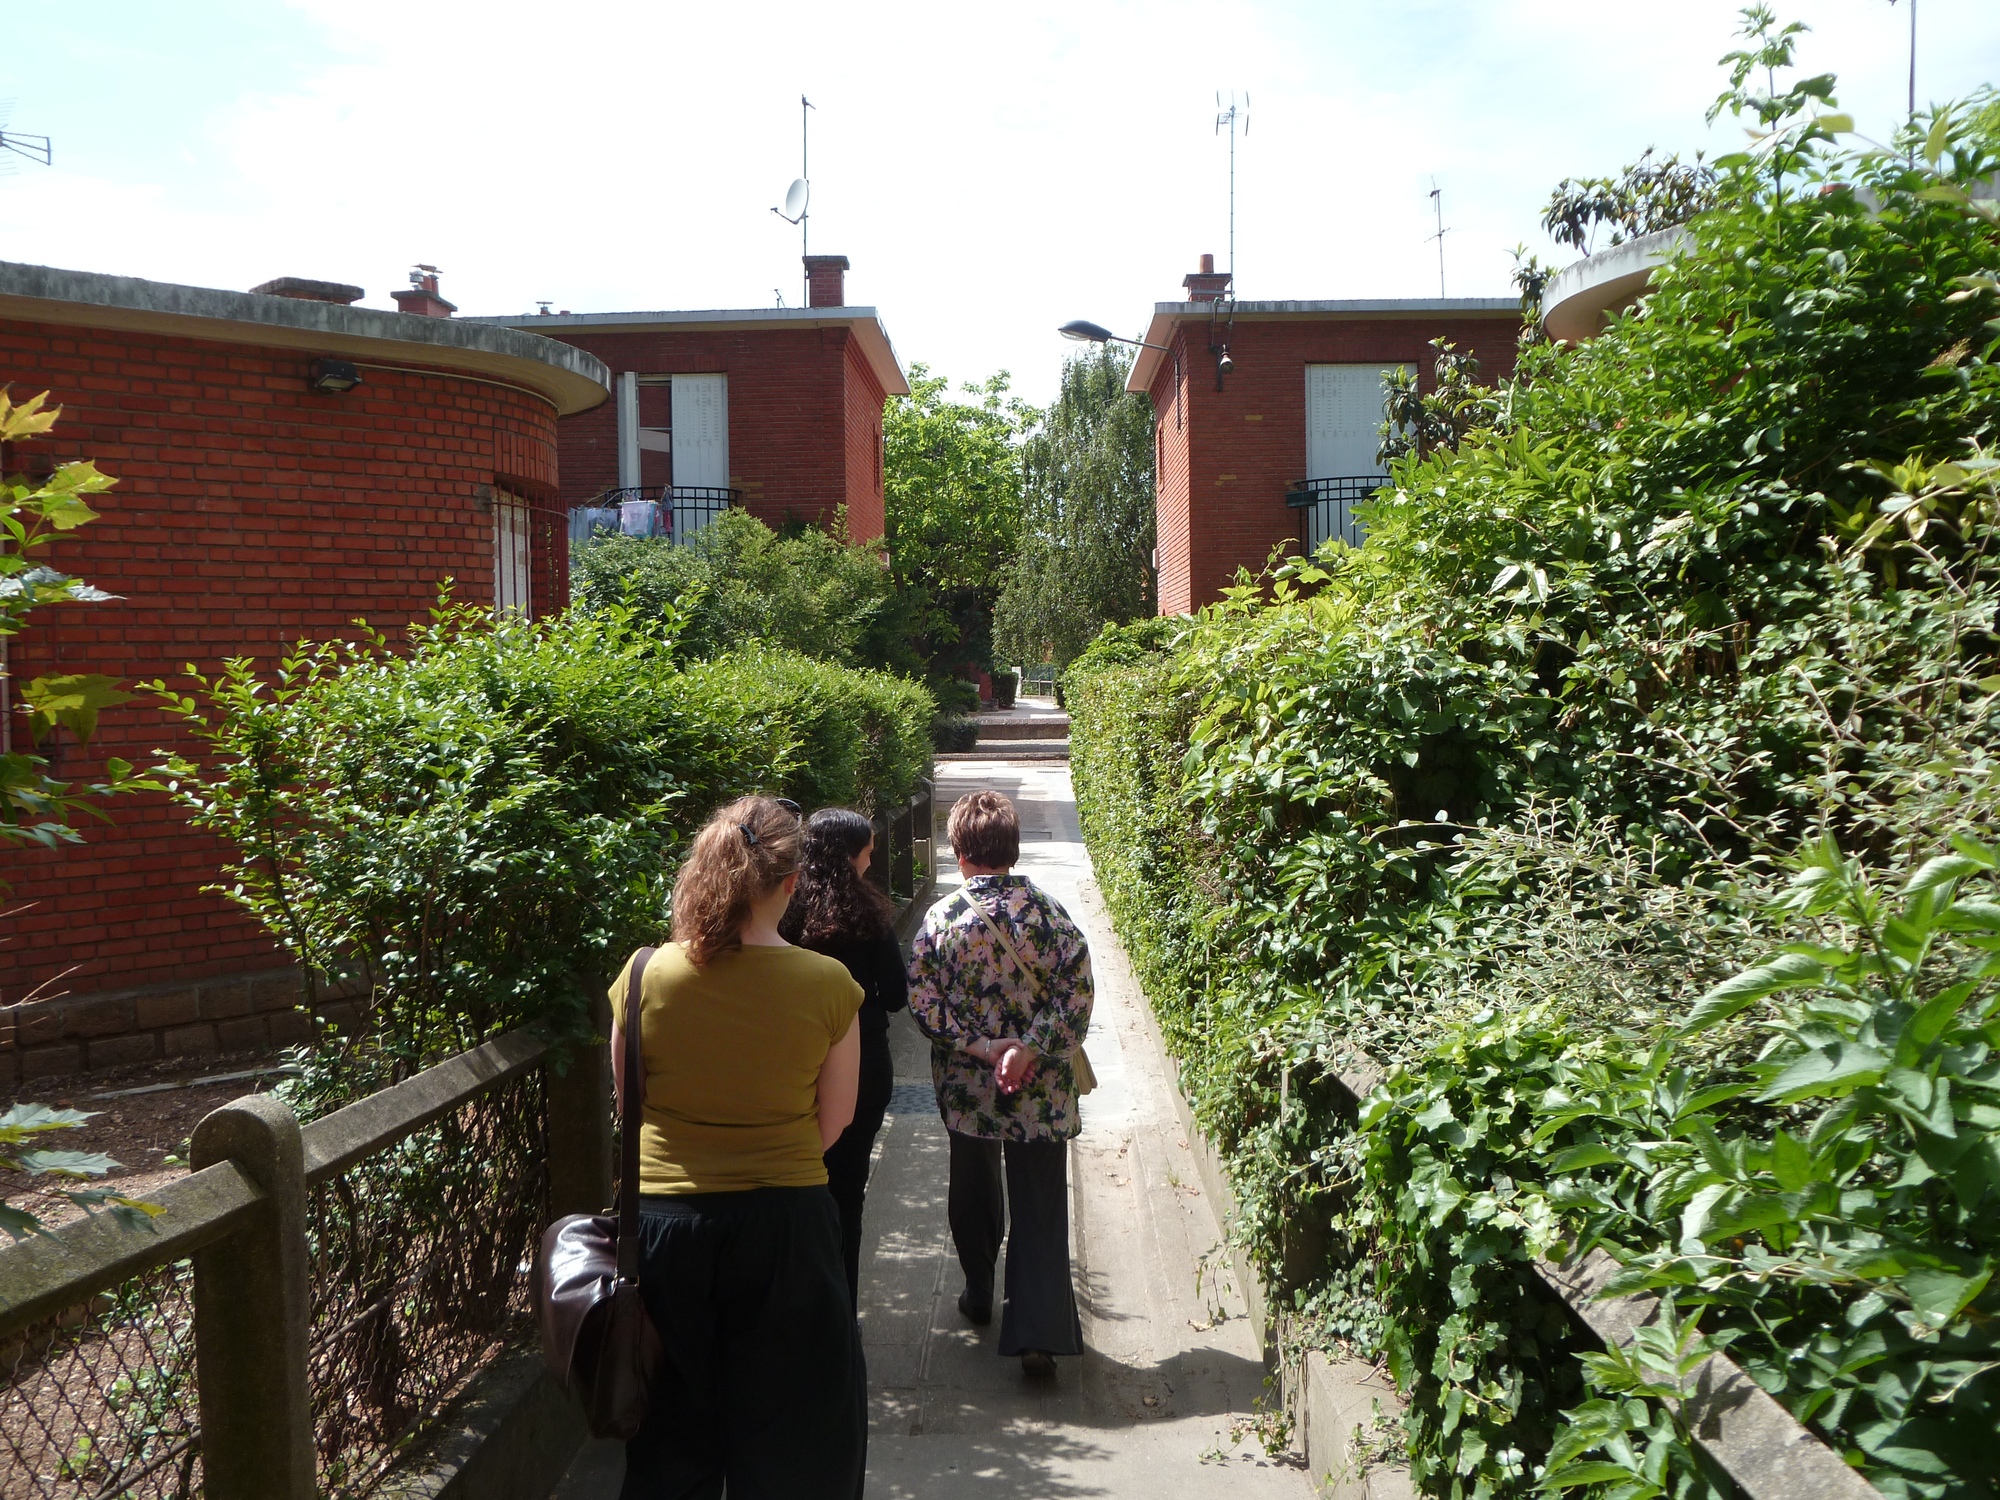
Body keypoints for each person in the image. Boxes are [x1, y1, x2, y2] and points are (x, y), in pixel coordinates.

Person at [609, 794, 866, 1500]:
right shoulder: (828, 985)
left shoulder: (642, 977)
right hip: (786, 1227)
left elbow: (630, 1107)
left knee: (670, 1444)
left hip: (667, 1233)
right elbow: (834, 1121)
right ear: (790, 885)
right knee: (792, 1444)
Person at [907, 789, 1093, 1379]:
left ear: (960, 852)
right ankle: (1037, 1332)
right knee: (1039, 1199)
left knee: (974, 1184)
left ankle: (978, 1288)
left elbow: (924, 1003)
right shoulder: (1051, 914)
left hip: (971, 1086)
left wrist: (983, 1047)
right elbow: (1077, 994)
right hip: (1040, 1088)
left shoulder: (942, 920)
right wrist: (1030, 1047)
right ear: (1011, 850)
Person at [779, 806, 909, 1309]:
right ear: (851, 855)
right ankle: (841, 1308)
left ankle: (796, 1301)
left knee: (798, 1186)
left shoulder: (787, 912)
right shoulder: (869, 915)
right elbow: (897, 994)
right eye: (869, 853)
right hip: (862, 1064)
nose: (871, 863)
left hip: (797, 1063)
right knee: (848, 1189)